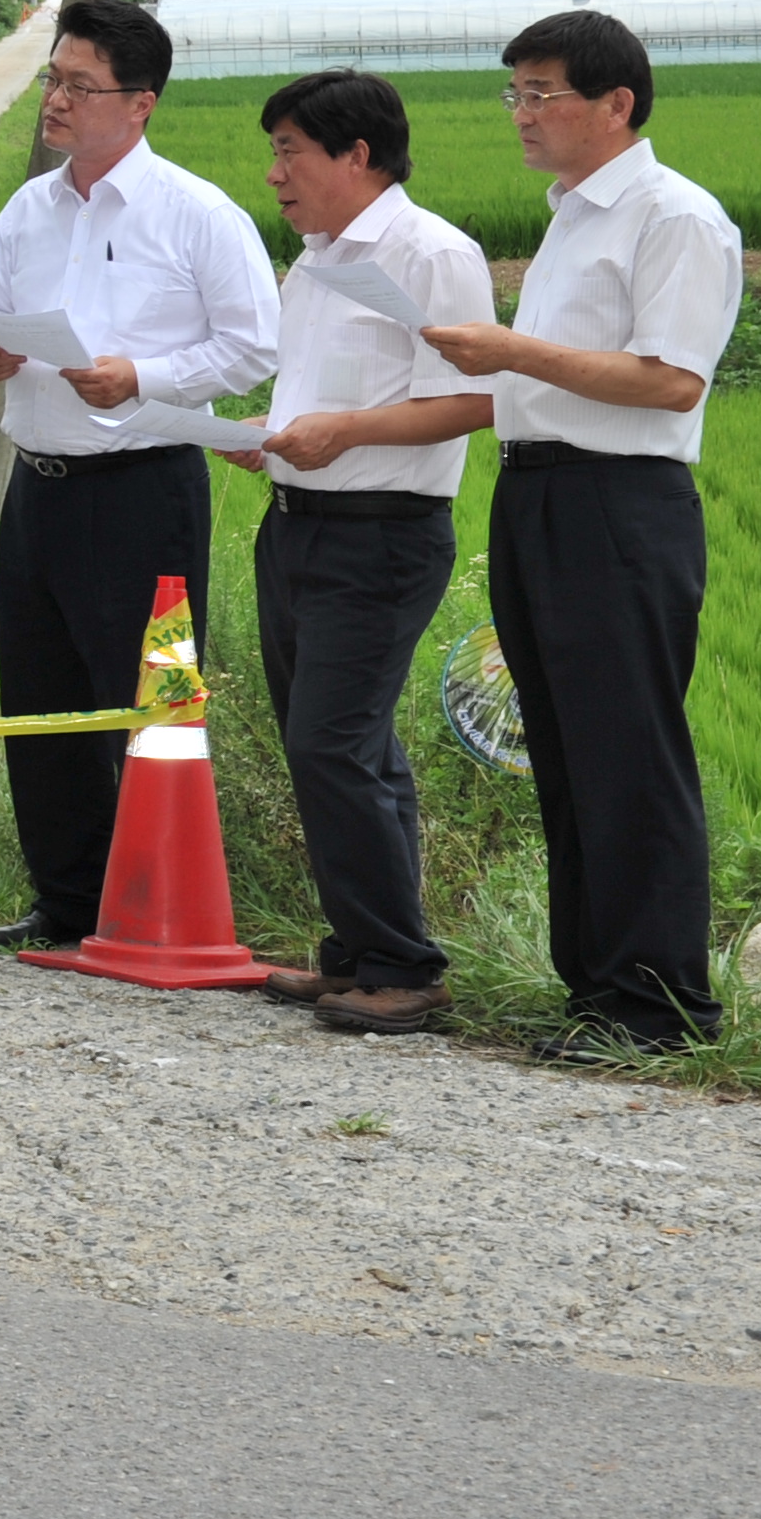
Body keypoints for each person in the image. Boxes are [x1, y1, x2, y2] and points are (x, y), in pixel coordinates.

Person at [421, 11, 741, 1061]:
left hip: (618, 504)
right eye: (511, 92)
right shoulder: (571, 214)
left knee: (627, 755)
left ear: (615, 105)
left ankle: (659, 1008)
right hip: (536, 497)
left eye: (540, 94)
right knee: (559, 751)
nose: (520, 114)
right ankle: (596, 993)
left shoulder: (672, 217)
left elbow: (668, 378)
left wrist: (512, 349)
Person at [0, 0, 281, 950]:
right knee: (40, 700)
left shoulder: (194, 214)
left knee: (151, 704)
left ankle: (156, 907)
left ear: (139, 103)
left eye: (78, 85)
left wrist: (141, 376)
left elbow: (252, 348)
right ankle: (67, 903)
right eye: (52, 79)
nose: (55, 100)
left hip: (143, 489)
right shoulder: (30, 206)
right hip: (41, 488)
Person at [230, 70, 497, 1038]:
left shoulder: (431, 253)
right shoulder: (317, 258)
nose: (273, 175)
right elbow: (316, 393)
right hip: (296, 521)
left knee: (329, 741)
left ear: (355, 154)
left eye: (289, 152)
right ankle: (355, 951)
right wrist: (264, 431)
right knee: (343, 746)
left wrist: (340, 432)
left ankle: (403, 967)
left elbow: (477, 396)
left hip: (381, 531)